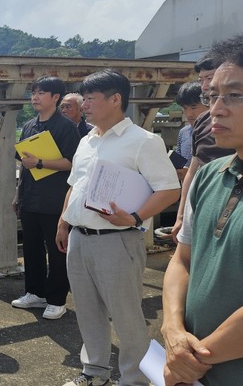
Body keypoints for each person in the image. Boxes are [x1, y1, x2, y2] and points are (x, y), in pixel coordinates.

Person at [56, 69, 180, 386]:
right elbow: (74, 185)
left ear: (115, 99)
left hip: (118, 239)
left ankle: (134, 379)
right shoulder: (86, 140)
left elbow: (169, 189)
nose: (84, 105)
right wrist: (64, 221)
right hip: (80, 237)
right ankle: (94, 372)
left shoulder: (143, 141)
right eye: (83, 98)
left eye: (90, 99)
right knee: (87, 311)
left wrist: (135, 217)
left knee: (126, 315)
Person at [161, 34, 243, 386]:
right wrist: (171, 329)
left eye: (235, 95)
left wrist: (188, 361)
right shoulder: (210, 176)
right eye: (213, 96)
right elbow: (182, 259)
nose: (216, 110)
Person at [11, 76, 80, 320]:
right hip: (30, 197)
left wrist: (39, 162)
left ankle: (57, 299)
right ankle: (35, 292)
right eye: (33, 93)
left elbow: (72, 163)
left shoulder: (66, 127)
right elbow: (25, 165)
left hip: (54, 200)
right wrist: (18, 194)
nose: (35, 97)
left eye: (41, 93)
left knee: (57, 249)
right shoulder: (29, 126)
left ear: (55, 97)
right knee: (31, 249)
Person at [170, 58, 235, 242]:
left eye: (210, 78)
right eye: (201, 80)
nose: (205, 86)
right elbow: (193, 170)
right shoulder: (201, 122)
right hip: (202, 202)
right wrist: (181, 215)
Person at [173, 81, 207, 181]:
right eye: (185, 108)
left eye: (194, 107)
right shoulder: (183, 132)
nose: (189, 114)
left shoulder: (216, 132)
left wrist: (191, 174)